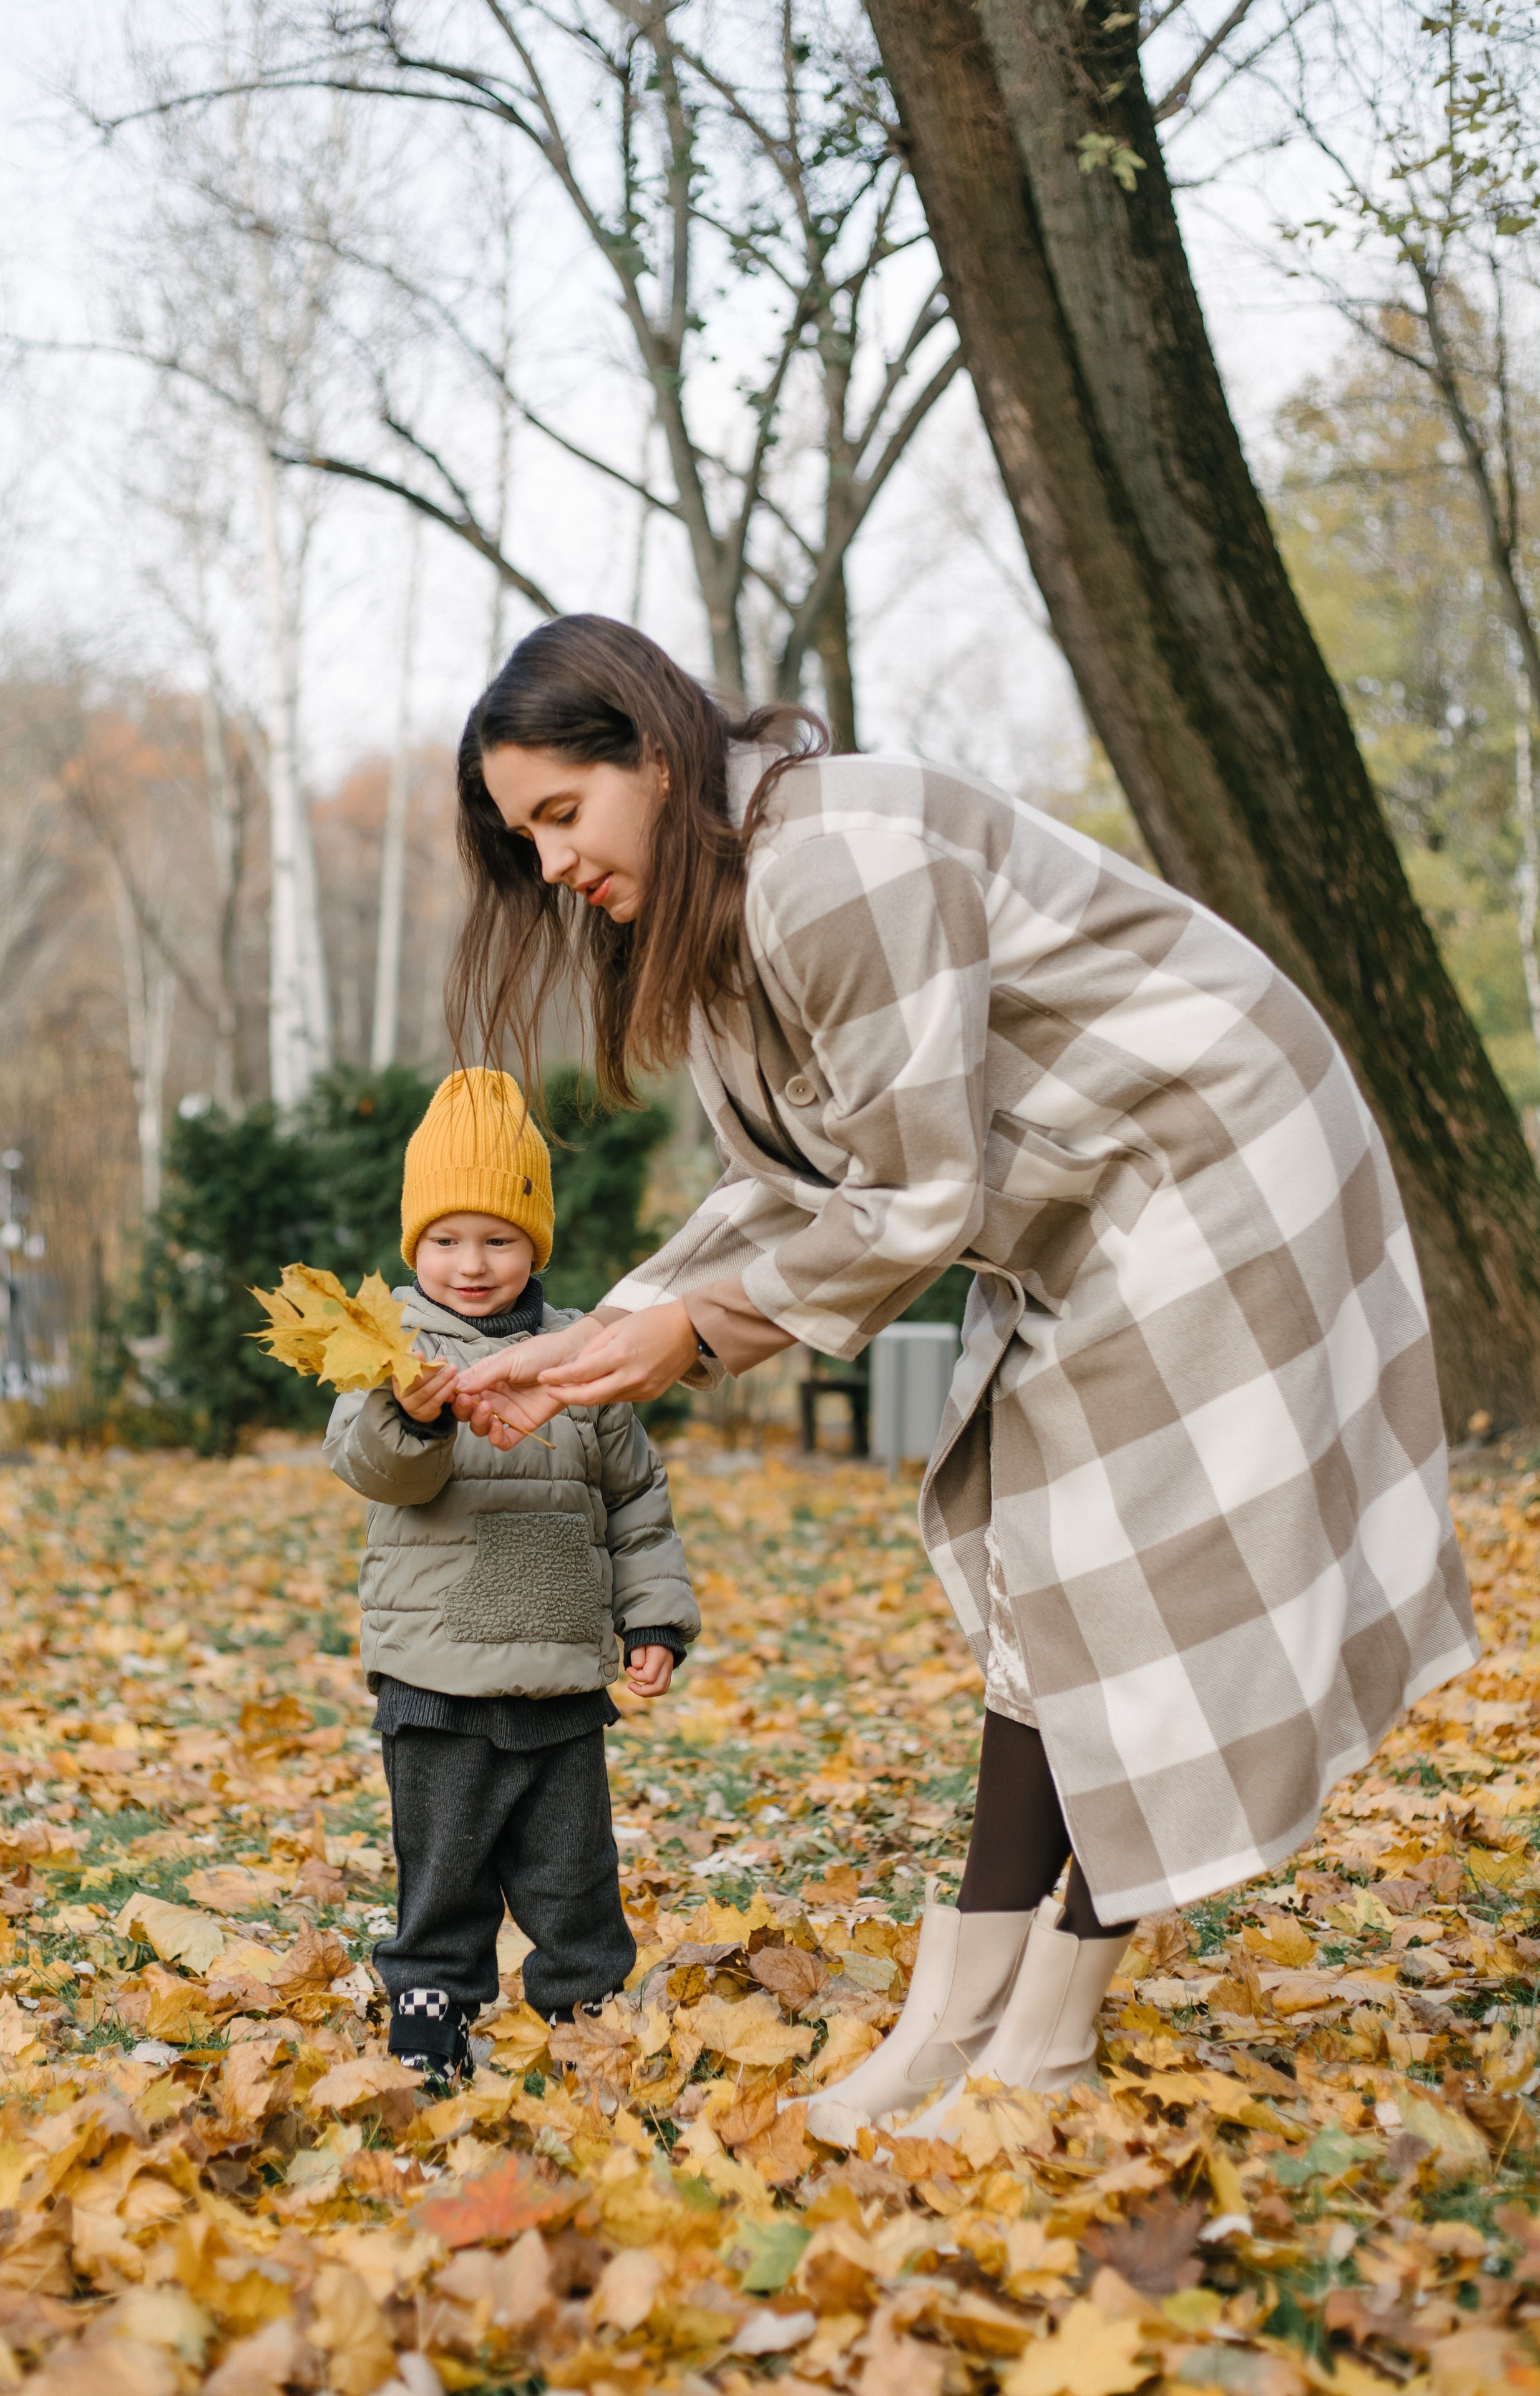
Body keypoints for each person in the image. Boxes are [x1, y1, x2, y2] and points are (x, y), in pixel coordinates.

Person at [447, 615, 1477, 2134]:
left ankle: (1043, 2030)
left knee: (1109, 1572)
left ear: (653, 759)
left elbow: (913, 1202)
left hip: (1206, 1153)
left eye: (558, 814)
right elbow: (802, 1188)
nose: (548, 867)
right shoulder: (724, 912)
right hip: (1084, 1199)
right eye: (520, 834)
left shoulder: (831, 860)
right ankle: (968, 2015)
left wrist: (694, 1334)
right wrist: (608, 1329)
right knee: (1033, 1579)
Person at [323, 1066, 699, 2088]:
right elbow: (376, 1466)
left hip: (563, 1671)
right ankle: (431, 2020)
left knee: (574, 1872)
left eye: (497, 1238)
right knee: (443, 1870)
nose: (472, 1263)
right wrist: (417, 1410)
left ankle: (590, 2019)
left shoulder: (583, 1354)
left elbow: (635, 1498)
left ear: (537, 1239)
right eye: (445, 1240)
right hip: (439, 1674)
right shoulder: (389, 1355)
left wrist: (653, 1615)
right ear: (415, 1248)